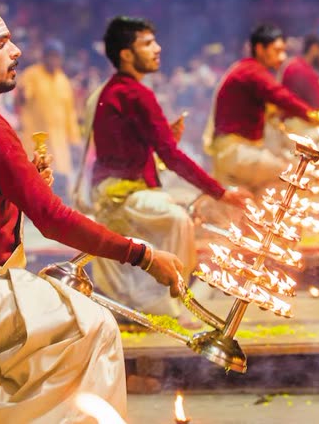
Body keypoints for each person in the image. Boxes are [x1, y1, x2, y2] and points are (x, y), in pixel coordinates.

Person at [0, 7, 183, 422]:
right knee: (93, 327)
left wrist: (27, 186)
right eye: (1, 43)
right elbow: (53, 219)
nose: (17, 51)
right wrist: (142, 255)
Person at [87, 16, 249, 320]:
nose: (157, 49)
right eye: (147, 43)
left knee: (181, 211)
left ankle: (162, 295)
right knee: (177, 219)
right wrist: (222, 193)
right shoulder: (134, 93)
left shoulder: (117, 90)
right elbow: (171, 158)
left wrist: (161, 143)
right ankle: (167, 298)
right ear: (126, 54)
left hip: (121, 188)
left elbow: (136, 151)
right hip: (121, 195)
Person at [204, 24, 319, 192]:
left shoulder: (248, 69)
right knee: (291, 175)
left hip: (238, 152)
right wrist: (316, 117)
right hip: (236, 153)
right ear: (260, 49)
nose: (282, 57)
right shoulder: (253, 72)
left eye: (283, 51)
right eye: (277, 50)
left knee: (274, 185)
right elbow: (282, 97)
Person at [17, 38, 82, 202]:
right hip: (36, 140)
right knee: (34, 179)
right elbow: (23, 99)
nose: (54, 60)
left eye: (57, 56)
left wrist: (74, 139)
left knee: (60, 181)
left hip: (59, 143)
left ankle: (59, 215)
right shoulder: (32, 75)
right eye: (51, 56)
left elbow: (70, 113)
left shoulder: (63, 81)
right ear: (44, 57)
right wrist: (22, 95)